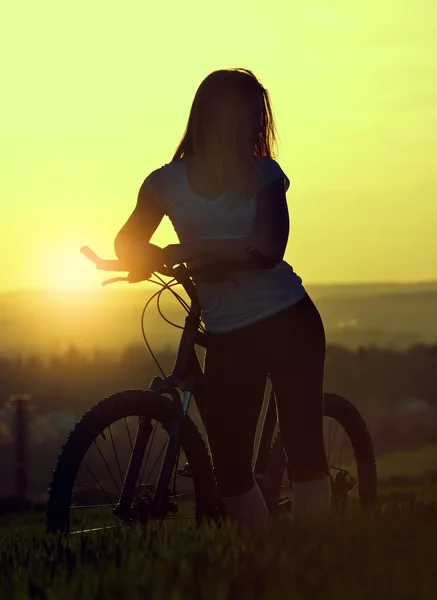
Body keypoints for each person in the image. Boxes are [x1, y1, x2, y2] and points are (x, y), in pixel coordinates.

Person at [114, 68, 331, 529]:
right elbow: (127, 240)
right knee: (230, 467)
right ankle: (261, 558)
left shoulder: (265, 175)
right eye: (252, 115)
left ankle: (316, 552)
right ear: (219, 116)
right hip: (231, 332)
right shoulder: (164, 183)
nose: (260, 125)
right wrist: (141, 255)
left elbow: (270, 246)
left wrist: (184, 251)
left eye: (261, 116)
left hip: (289, 320)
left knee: (304, 445)